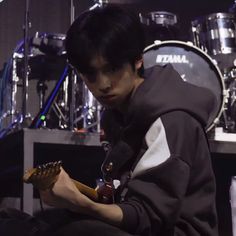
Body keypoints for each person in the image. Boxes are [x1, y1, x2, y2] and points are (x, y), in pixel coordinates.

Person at [0, 4, 218, 236]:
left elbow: (147, 217)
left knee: (74, 230)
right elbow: (124, 200)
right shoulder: (119, 112)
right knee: (18, 221)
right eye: (91, 74)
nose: (103, 85)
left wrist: (81, 203)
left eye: (112, 69)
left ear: (137, 60)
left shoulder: (171, 119)